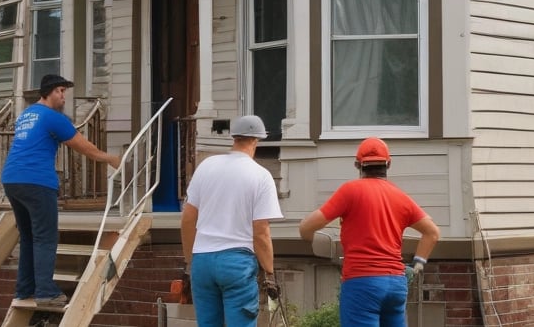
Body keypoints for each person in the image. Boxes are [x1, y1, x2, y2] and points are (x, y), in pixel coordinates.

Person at [1, 74, 121, 307]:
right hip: (36, 181)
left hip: (12, 180)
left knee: (29, 236)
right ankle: (46, 292)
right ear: (48, 92)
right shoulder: (52, 117)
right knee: (46, 237)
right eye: (60, 91)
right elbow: (85, 148)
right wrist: (111, 159)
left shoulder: (26, 115)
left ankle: (24, 289)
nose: (64, 96)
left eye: (64, 91)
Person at [299, 137, 441, 327]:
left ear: (357, 165)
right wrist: (417, 265)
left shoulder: (350, 191)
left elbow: (307, 227)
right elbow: (432, 232)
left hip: (362, 283)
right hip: (396, 284)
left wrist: (310, 239)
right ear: (388, 164)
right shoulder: (401, 196)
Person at [180, 115, 283, 327]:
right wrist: (270, 273)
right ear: (256, 140)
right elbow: (261, 231)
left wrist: (190, 262)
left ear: (234, 138)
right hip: (236, 262)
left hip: (202, 261)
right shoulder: (261, 176)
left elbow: (188, 218)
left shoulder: (206, 166)